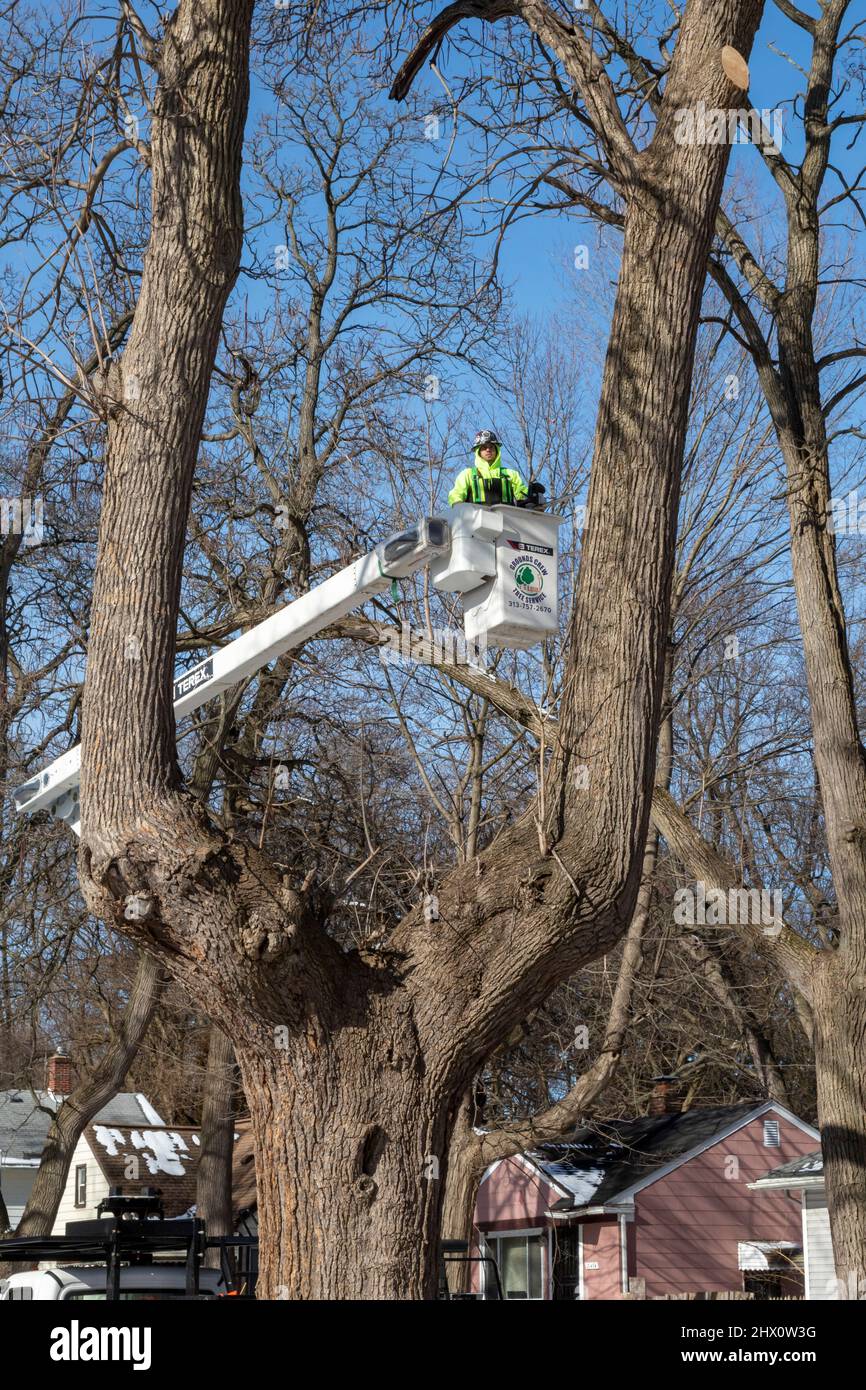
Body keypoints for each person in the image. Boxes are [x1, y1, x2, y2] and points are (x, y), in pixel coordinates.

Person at [448, 429, 529, 507]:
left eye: (491, 447)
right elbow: (457, 494)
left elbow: (522, 494)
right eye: (484, 447)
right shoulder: (467, 474)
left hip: (505, 519)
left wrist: (532, 499)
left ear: (497, 450)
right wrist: (458, 505)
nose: (488, 450)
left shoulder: (511, 474)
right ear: (478, 451)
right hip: (476, 519)